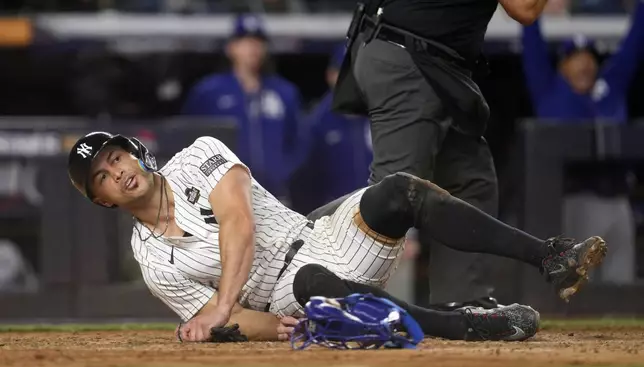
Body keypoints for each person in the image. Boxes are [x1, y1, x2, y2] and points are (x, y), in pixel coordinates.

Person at [67, 131, 606, 343]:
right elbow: (213, 316)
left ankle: (550, 256)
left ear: (135, 151)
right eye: (104, 177)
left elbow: (239, 223)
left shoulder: (197, 156)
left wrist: (223, 305)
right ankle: (470, 320)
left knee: (399, 191)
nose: (118, 172)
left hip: (318, 231)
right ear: (102, 199)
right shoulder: (151, 260)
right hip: (290, 290)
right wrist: (270, 327)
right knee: (311, 285)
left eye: (118, 157)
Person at [311, 0, 551, 309]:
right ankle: (329, 298)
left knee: (470, 181)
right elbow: (525, 8)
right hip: (408, 55)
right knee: (392, 196)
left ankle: (463, 303)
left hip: (432, 63)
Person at [521, 0, 644, 284]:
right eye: (574, 57)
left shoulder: (610, 87)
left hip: (618, 200)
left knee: (620, 282)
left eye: (589, 57)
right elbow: (532, 44)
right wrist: (532, 9)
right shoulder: (549, 90)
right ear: (562, 65)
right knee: (578, 282)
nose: (583, 63)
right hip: (575, 199)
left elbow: (635, 42)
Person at [181, 13, 304, 204]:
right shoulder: (209, 92)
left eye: (258, 42)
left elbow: (299, 142)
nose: (252, 48)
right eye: (245, 42)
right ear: (231, 48)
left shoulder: (284, 92)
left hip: (274, 196)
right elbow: (188, 142)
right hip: (223, 197)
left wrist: (282, 173)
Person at [291, 45, 372, 214]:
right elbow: (304, 184)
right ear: (331, 76)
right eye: (344, 73)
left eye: (356, 72)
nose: (351, 80)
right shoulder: (316, 122)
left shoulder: (380, 115)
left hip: (377, 219)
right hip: (330, 221)